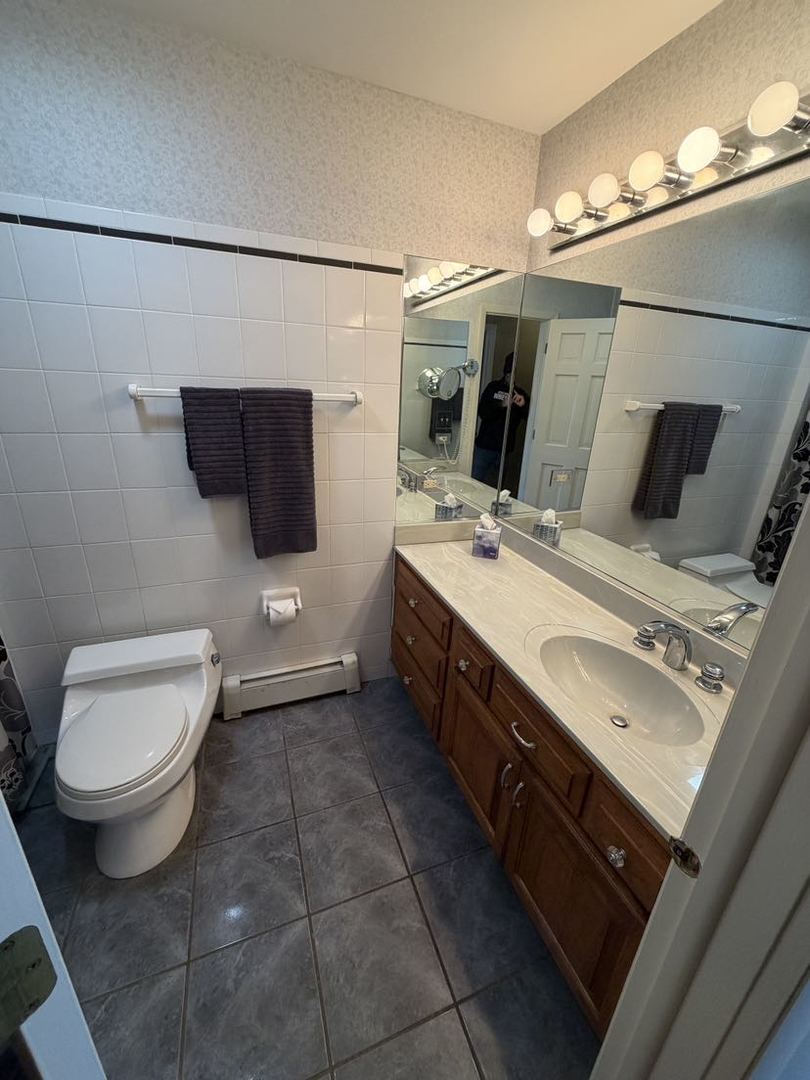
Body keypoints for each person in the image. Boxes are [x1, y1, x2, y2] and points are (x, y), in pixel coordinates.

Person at [472, 353, 529, 484]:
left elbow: (530, 420)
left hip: (504, 450)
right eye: (508, 374)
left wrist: (523, 405)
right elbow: (482, 412)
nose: (510, 377)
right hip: (485, 447)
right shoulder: (493, 388)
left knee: (497, 487)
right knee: (475, 482)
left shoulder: (520, 394)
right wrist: (501, 405)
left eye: (512, 374)